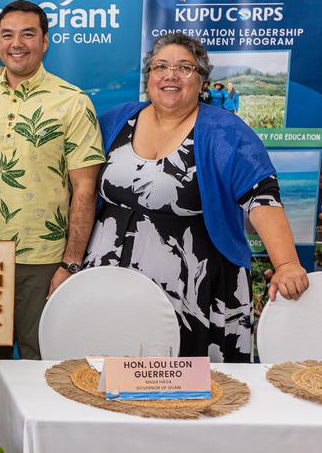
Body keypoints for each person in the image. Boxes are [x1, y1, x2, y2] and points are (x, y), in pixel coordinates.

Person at [86, 32, 308, 362]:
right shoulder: (114, 121)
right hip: (112, 282)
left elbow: (262, 198)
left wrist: (287, 264)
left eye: (184, 68)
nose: (171, 75)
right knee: (108, 383)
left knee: (191, 395)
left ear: (202, 80)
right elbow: (80, 184)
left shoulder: (226, 131)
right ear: (149, 76)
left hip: (193, 289)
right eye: (160, 66)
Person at [0, 0, 104, 368]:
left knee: (42, 365)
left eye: (28, 34)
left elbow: (85, 189)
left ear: (45, 41)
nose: (17, 43)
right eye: (7, 35)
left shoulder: (72, 102)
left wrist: (71, 264)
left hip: (44, 261)